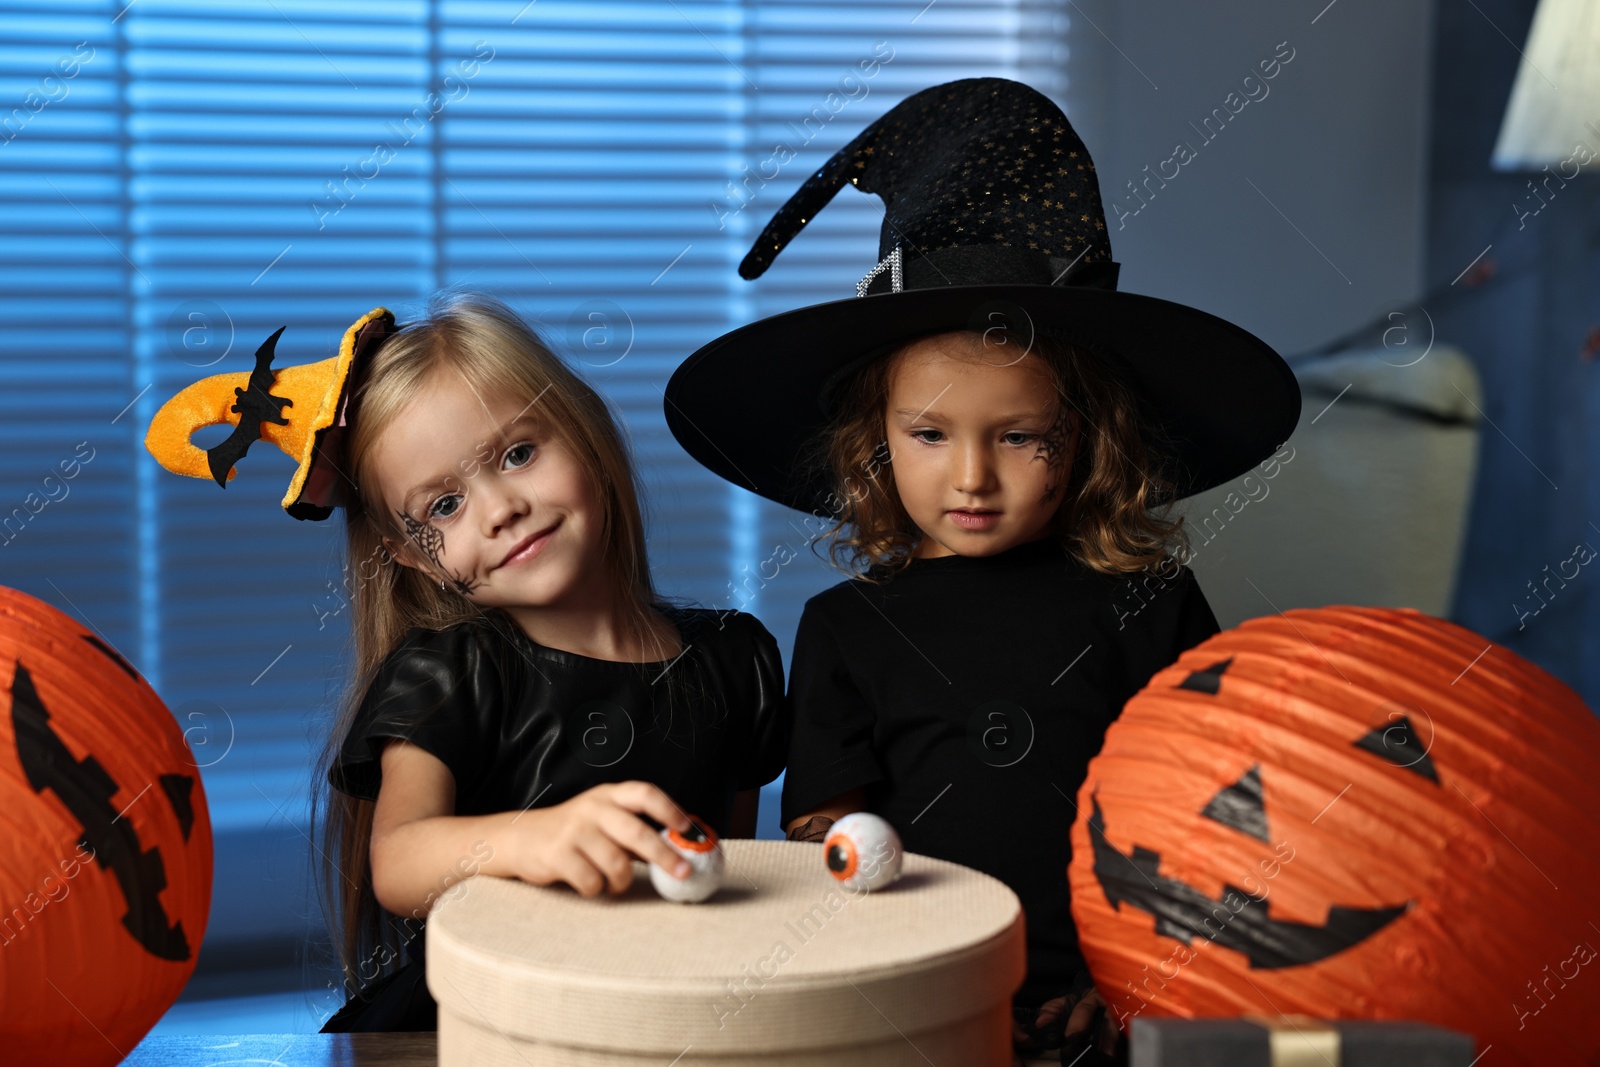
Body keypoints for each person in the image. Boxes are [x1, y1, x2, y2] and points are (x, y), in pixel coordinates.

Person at [662, 78, 1301, 1065]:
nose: (971, 476)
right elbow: (829, 830)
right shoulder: (846, 626)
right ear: (873, 440)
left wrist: (1140, 976)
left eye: (1017, 436)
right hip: (911, 1004)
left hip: (1117, 1000)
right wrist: (894, 973)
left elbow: (1219, 800)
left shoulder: (1149, 600)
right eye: (929, 432)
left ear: (1084, 439)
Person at [144, 292, 789, 1031]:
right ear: (408, 557)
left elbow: (734, 865)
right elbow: (400, 858)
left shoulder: (735, 659)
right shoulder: (448, 675)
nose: (498, 508)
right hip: (487, 1020)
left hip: (660, 1015)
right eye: (444, 506)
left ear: (586, 427)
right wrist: (532, 837)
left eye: (518, 454)